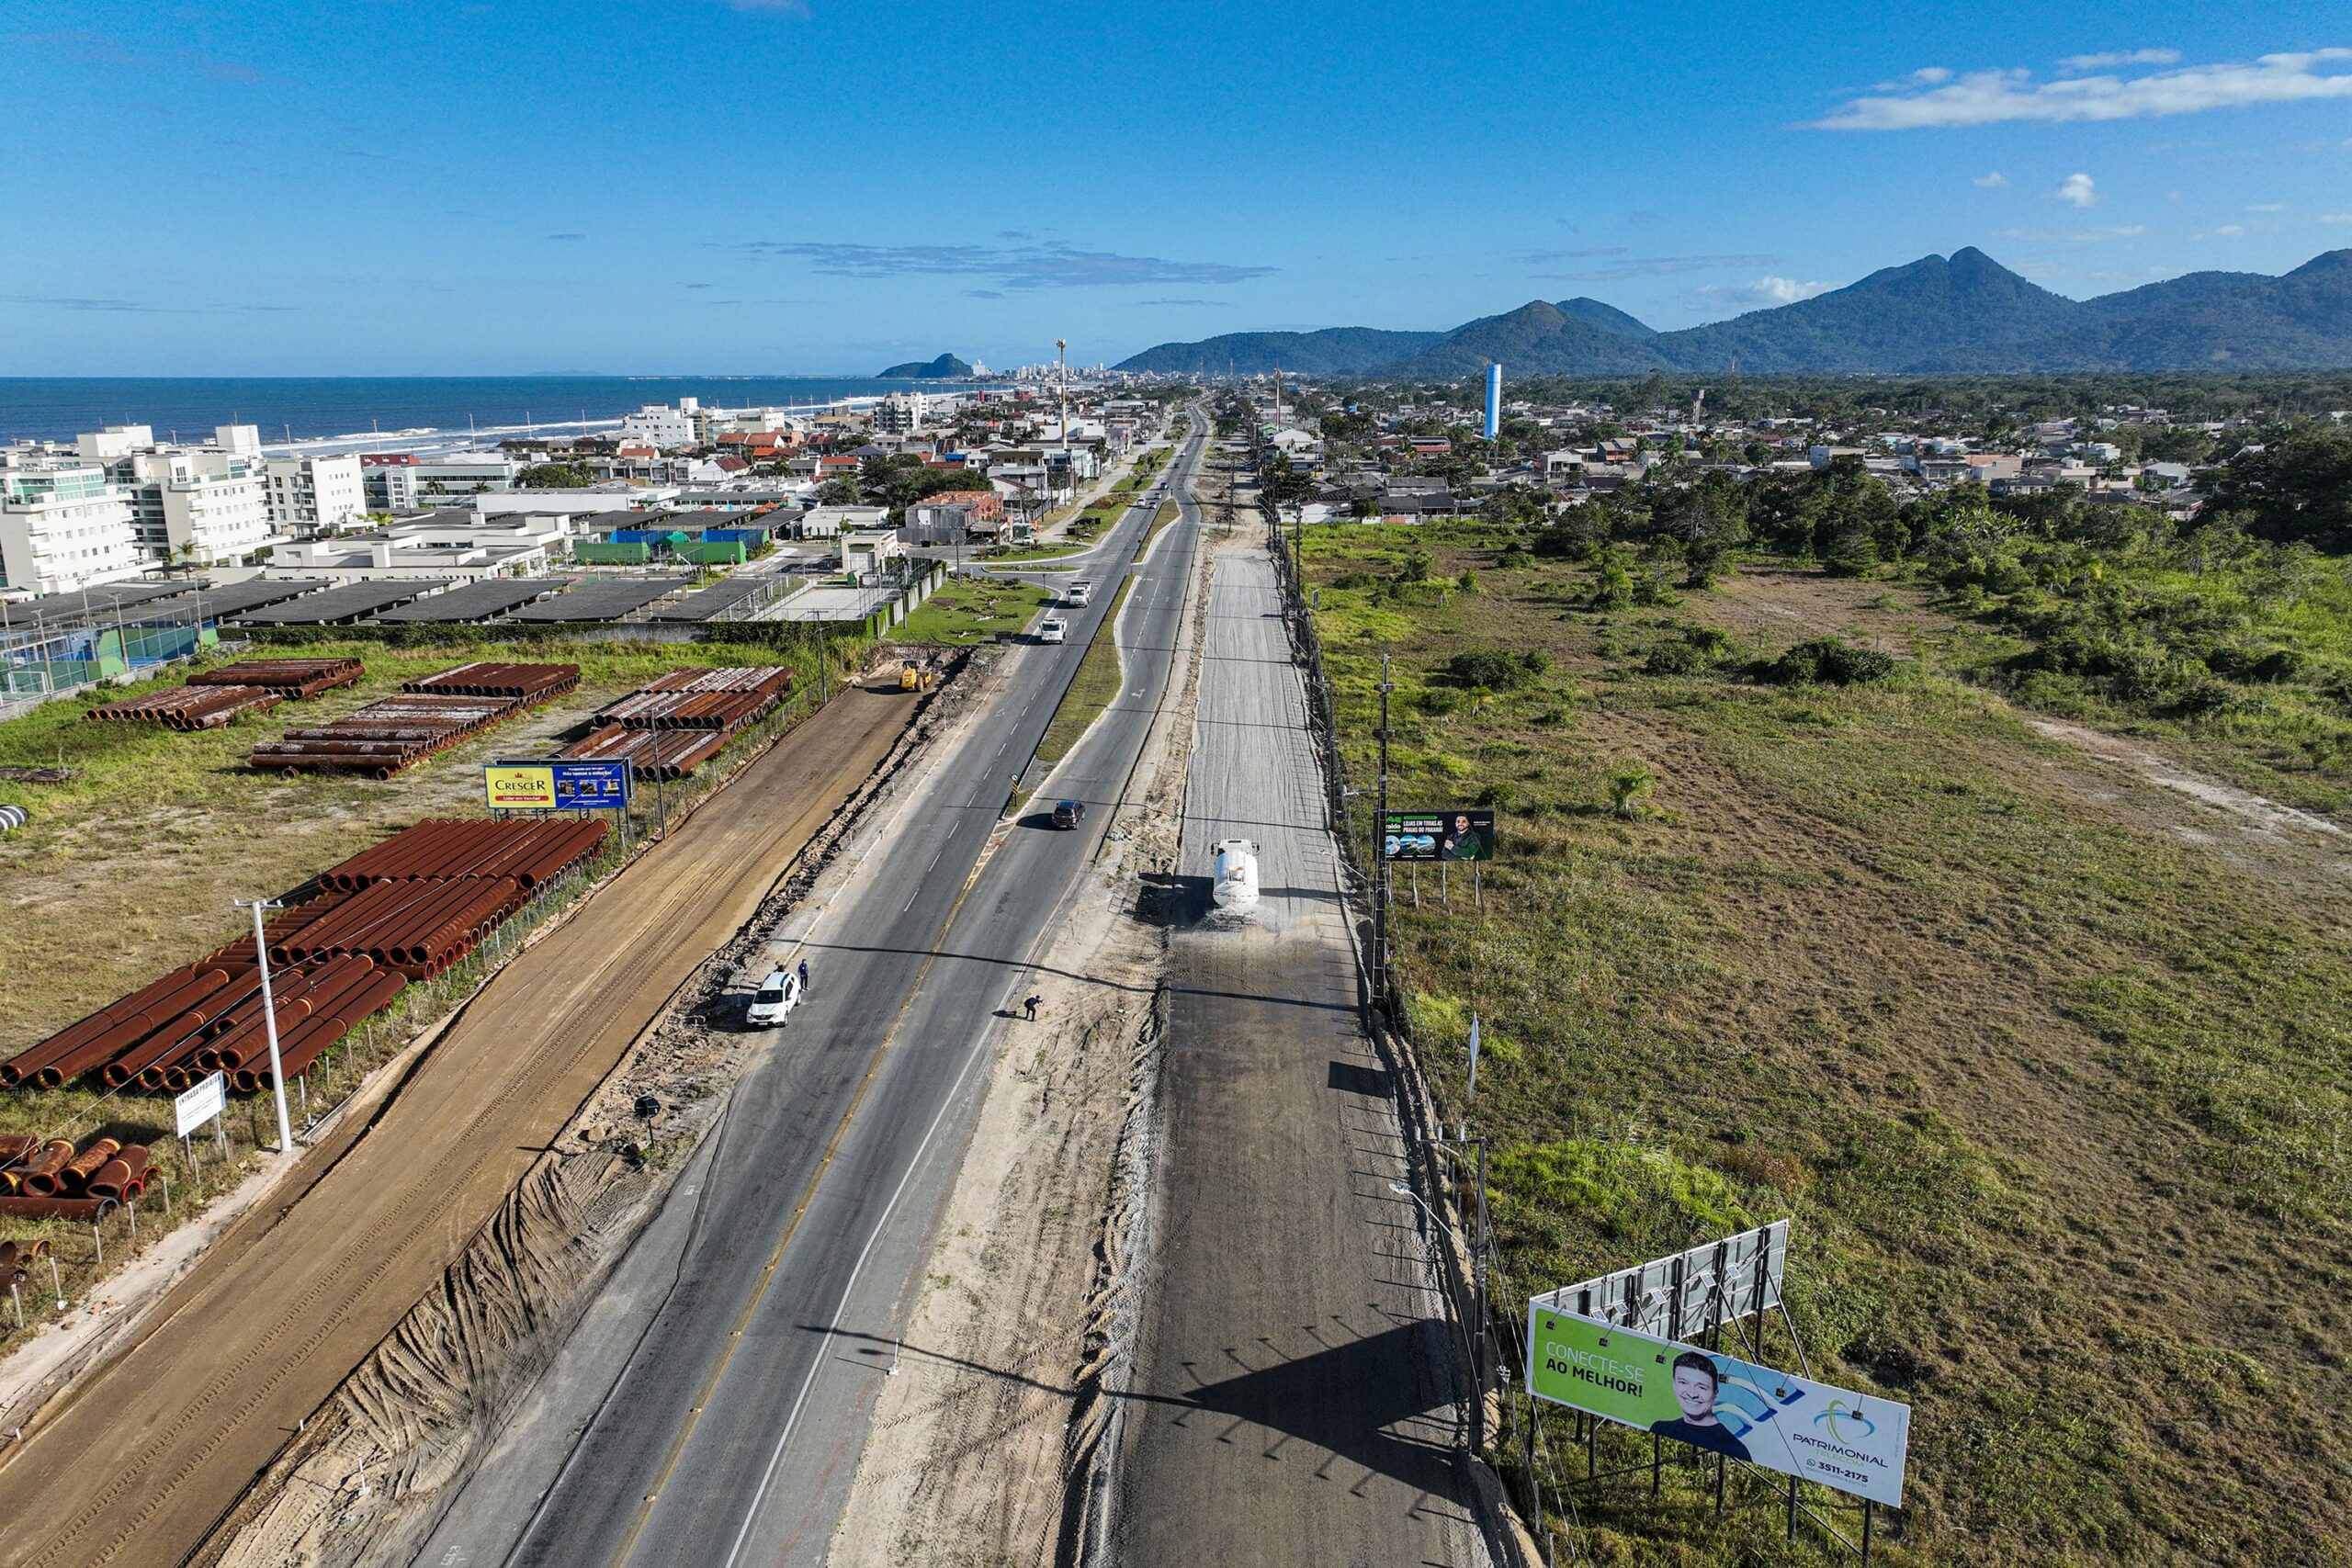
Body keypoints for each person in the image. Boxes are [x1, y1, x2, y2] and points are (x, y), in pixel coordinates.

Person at [1649, 1351, 1751, 1461]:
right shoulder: (1660, 1427)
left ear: (1715, 1393)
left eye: (1701, 1387)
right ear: (1674, 1384)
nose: (1692, 1394)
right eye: (1683, 1383)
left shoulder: (1735, 1448)